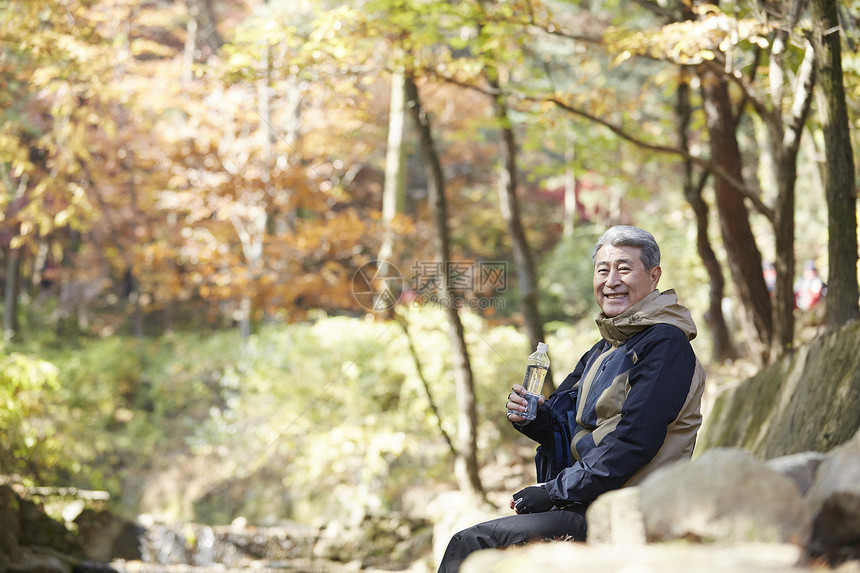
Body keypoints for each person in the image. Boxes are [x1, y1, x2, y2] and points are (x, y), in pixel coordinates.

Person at [437, 225, 706, 573]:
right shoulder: (604, 347)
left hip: (629, 510)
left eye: (624, 268)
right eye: (603, 269)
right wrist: (533, 417)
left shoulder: (666, 345)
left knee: (472, 543)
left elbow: (634, 442)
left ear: (654, 276)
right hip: (585, 500)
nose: (611, 281)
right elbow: (563, 421)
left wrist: (552, 492)